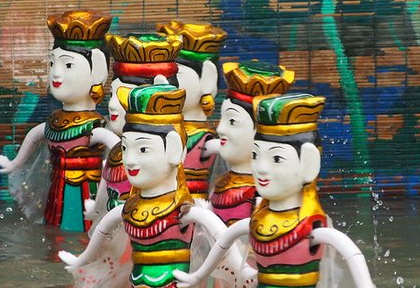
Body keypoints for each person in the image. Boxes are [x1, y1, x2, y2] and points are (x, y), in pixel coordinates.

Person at [175, 93, 403, 288]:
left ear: (308, 165)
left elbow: (351, 253)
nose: (261, 169)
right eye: (256, 156)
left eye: (276, 159)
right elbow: (223, 239)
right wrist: (197, 275)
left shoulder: (310, 228)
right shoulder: (258, 220)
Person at [59, 85, 246, 288]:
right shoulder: (130, 207)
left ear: (173, 149)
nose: (129, 160)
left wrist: (209, 274)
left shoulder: (184, 211)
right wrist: (81, 260)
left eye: (143, 149)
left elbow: (223, 238)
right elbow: (103, 230)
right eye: (126, 148)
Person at [0, 10, 110, 231]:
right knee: (54, 233)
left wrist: (114, 168)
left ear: (98, 71)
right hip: (56, 193)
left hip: (89, 194)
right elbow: (34, 135)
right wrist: (15, 163)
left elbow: (116, 147)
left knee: (87, 233)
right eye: (51, 64)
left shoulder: (94, 126)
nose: (56, 74)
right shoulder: (55, 121)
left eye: (68, 65)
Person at [83, 32, 181, 226]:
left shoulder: (166, 153)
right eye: (112, 94)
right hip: (114, 228)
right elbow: (106, 185)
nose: (112, 105)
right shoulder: (118, 151)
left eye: (123, 97)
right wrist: (96, 209)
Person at [209, 60, 295, 226]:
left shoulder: (263, 193)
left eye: (232, 121)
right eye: (222, 118)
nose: (220, 129)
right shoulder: (223, 182)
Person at [156, 21, 225, 199]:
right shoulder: (164, 128)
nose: (164, 81)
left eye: (175, 74)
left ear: (207, 79)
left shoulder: (202, 137)